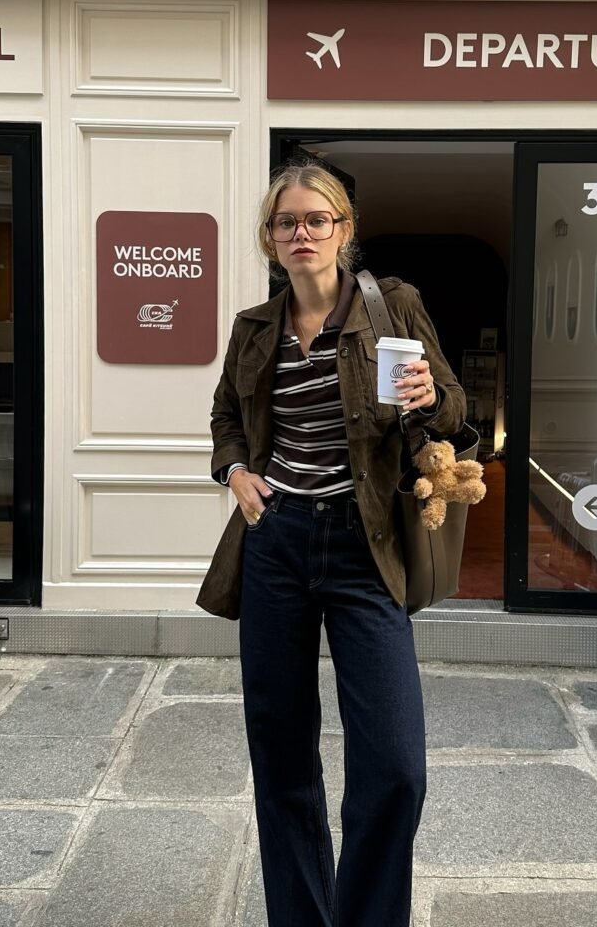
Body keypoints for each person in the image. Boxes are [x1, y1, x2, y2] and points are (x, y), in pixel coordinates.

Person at [196, 162, 466, 927]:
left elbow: (453, 407)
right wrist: (235, 469)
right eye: (286, 222)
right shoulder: (255, 326)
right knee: (280, 757)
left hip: (364, 544)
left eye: (317, 219)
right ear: (269, 238)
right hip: (276, 541)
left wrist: (430, 397)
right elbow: (224, 418)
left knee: (393, 766)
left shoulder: (393, 307)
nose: (301, 233)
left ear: (344, 230)